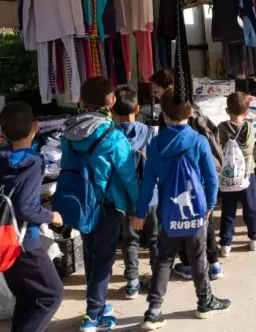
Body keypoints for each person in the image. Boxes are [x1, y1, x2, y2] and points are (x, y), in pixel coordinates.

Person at [133, 89, 230, 330]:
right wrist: (208, 206)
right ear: (191, 113)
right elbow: (211, 178)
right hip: (195, 213)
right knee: (198, 257)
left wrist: (140, 212)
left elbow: (148, 183)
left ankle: (153, 311)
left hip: (168, 214)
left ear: (164, 115)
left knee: (163, 260)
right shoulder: (197, 140)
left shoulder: (156, 144)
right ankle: (205, 301)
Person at [0, 101, 65, 331]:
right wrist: (52, 217)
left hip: (0, 242)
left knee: (28, 295)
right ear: (36, 127)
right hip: (23, 243)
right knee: (51, 295)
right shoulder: (33, 162)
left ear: (1, 133)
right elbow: (26, 208)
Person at [64, 77, 140, 330]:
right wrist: (137, 205)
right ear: (111, 101)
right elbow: (127, 176)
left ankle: (97, 302)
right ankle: (93, 314)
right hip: (107, 205)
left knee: (90, 254)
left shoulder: (68, 132)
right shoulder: (113, 136)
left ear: (82, 101)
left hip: (79, 202)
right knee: (104, 257)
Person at [113, 86, 158, 301]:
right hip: (151, 197)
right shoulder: (150, 133)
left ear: (112, 111)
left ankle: (132, 283)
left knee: (130, 241)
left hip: (125, 199)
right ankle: (158, 278)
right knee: (155, 239)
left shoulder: (111, 137)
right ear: (138, 109)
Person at [217, 92, 256, 255]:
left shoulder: (221, 128)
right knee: (250, 208)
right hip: (247, 174)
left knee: (228, 210)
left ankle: (225, 243)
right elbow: (251, 149)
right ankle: (254, 237)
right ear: (246, 112)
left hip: (228, 176)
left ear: (226, 110)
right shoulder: (249, 128)